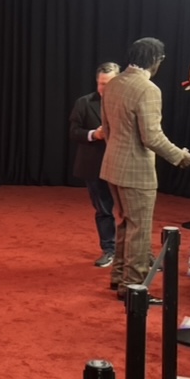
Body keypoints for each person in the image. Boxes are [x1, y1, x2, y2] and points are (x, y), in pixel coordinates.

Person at [100, 38, 190, 297]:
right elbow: (151, 137)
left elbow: (107, 129)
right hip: (136, 170)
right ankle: (134, 287)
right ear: (156, 60)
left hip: (112, 164)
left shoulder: (114, 83)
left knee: (125, 224)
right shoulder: (148, 89)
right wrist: (180, 156)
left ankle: (119, 277)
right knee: (139, 229)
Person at [68, 62, 118, 268]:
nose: (103, 88)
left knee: (129, 212)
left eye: (108, 84)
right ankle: (109, 249)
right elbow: (73, 132)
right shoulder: (84, 103)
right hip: (94, 166)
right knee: (104, 209)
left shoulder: (128, 102)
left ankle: (136, 251)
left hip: (123, 164)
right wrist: (93, 135)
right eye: (101, 84)